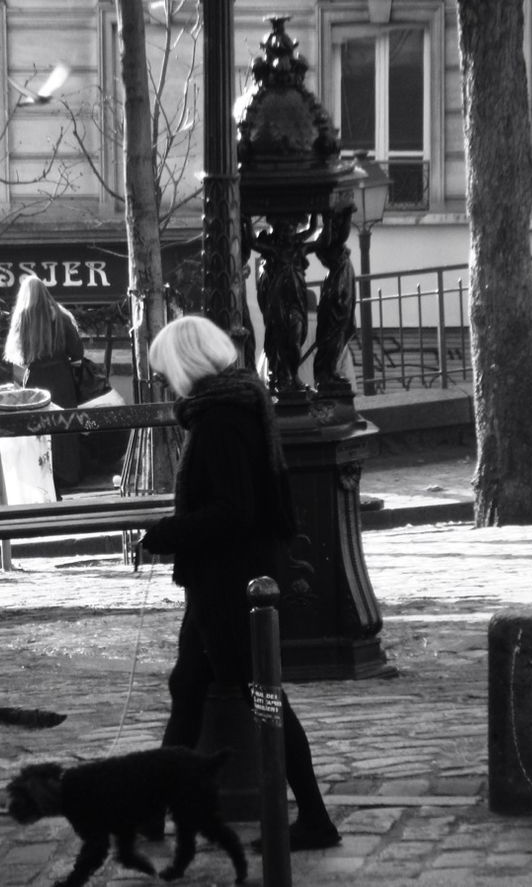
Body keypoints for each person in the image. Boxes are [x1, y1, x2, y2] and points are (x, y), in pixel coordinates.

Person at [140, 315, 342, 851]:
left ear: (185, 365)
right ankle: (153, 808)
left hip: (232, 584)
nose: (164, 384)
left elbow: (234, 510)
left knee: (264, 694)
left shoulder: (222, 419)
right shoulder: (234, 406)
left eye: (164, 373)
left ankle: (315, 818)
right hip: (223, 579)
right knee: (188, 686)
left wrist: (167, 532)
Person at [3, 276, 84, 489]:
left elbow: (18, 355)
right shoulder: (60, 315)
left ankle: (40, 475)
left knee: (37, 428)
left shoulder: (22, 318)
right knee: (65, 424)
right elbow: (77, 354)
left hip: (35, 380)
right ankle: (68, 475)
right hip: (61, 377)